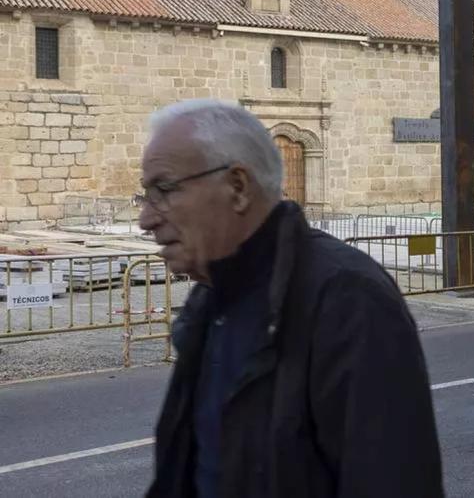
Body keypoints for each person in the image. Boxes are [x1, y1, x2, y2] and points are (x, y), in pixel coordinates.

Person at [138, 100, 444, 498]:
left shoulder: (349, 300)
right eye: (144, 195)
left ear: (237, 187)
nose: (146, 219)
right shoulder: (211, 298)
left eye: (163, 190)